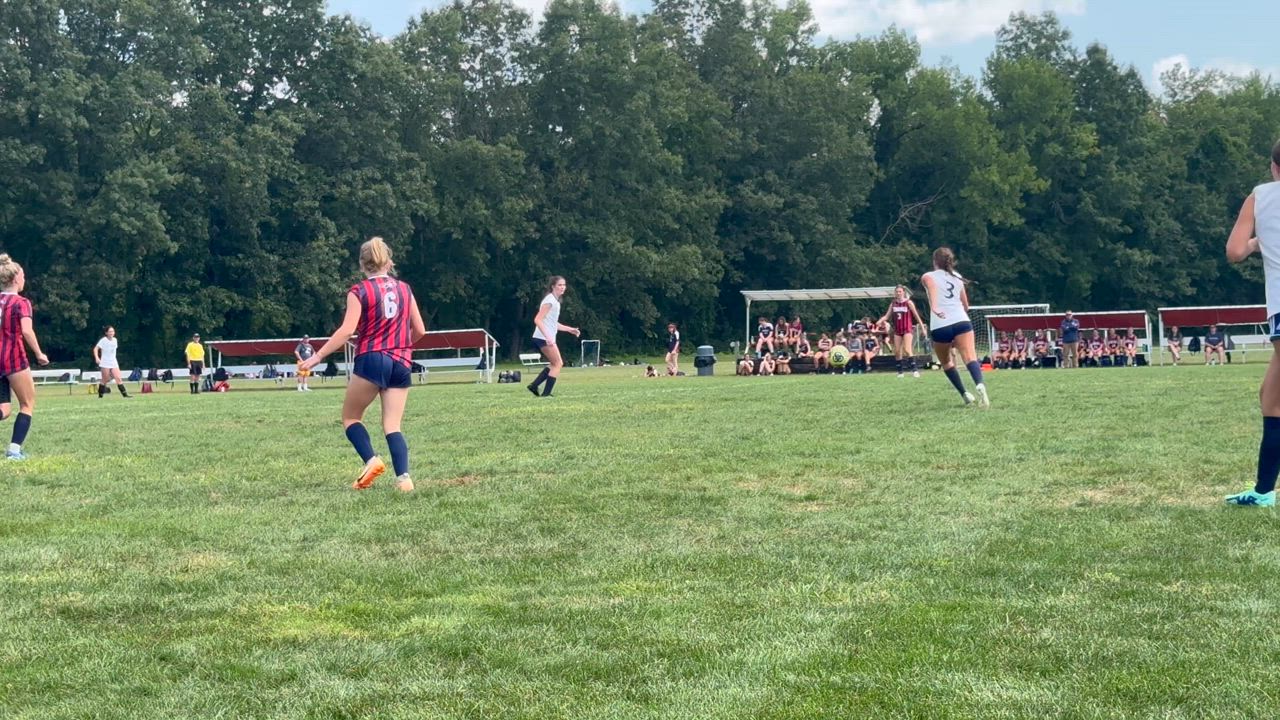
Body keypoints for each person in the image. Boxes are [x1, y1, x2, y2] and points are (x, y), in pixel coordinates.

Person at [300, 237, 426, 492]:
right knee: (392, 425)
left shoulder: (359, 292)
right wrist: (401, 346)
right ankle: (404, 479)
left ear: (362, 264)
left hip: (371, 358)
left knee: (350, 417)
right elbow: (420, 330)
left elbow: (347, 331)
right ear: (389, 262)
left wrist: (317, 356)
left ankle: (371, 460)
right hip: (401, 361)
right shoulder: (405, 289)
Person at [1224, 138, 1280, 506]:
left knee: (1274, 401)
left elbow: (1234, 251)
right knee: (1270, 397)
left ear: (1274, 167)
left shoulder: (1260, 196)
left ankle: (1263, 492)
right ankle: (1263, 491)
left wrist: (1258, 242)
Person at [921, 247, 989, 407]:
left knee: (946, 362)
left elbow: (933, 289)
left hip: (940, 325)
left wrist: (935, 307)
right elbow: (966, 305)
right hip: (960, 321)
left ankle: (964, 394)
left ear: (934, 261)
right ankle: (979, 383)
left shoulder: (928, 276)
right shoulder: (957, 277)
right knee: (970, 357)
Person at [0, 255, 50, 460]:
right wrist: (39, 354)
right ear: (15, 279)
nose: (24, 280)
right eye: (23, 276)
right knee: (27, 404)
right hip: (13, 359)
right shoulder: (21, 303)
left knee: (4, 410)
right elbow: (27, 331)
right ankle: (14, 450)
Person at [526, 276, 581, 398]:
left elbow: (552, 323)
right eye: (559, 285)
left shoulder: (555, 302)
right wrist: (548, 337)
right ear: (553, 286)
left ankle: (534, 385)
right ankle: (546, 394)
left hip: (543, 337)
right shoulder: (550, 301)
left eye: (564, 285)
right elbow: (537, 320)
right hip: (543, 337)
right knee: (558, 363)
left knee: (553, 363)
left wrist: (570, 329)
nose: (562, 287)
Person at [879, 285, 926, 378]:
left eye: (900, 291)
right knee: (897, 351)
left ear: (903, 292)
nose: (898, 293)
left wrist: (923, 328)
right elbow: (887, 316)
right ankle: (900, 372)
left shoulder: (908, 303)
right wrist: (880, 321)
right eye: (897, 292)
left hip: (907, 329)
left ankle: (915, 370)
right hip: (897, 330)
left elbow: (916, 316)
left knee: (907, 349)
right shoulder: (893, 303)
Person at [93, 326, 130, 398]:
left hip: (113, 362)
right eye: (110, 332)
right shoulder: (103, 340)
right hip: (105, 362)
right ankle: (100, 396)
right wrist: (97, 358)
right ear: (106, 333)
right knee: (105, 379)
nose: (111, 333)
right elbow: (95, 349)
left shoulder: (115, 340)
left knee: (118, 378)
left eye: (112, 331)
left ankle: (125, 395)